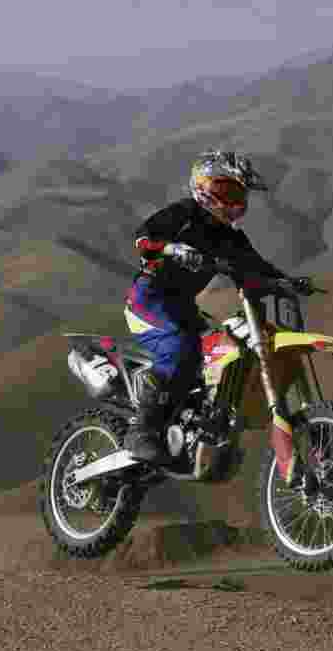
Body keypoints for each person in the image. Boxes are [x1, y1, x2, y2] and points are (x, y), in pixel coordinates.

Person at [122, 150, 288, 465]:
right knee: (179, 347)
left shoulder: (231, 238)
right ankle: (139, 430)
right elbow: (142, 239)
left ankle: (193, 428)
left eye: (239, 194)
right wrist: (172, 248)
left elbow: (257, 266)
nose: (234, 201)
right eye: (227, 191)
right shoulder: (184, 214)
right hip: (149, 298)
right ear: (204, 186)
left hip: (184, 307)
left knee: (218, 354)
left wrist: (287, 281)